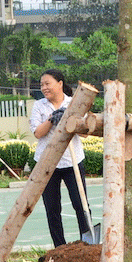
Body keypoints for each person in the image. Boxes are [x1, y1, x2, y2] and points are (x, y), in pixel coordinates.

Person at [30, 69, 94, 246]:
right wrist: (52, 119)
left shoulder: (74, 103)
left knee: (81, 205)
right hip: (47, 163)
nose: (44, 88)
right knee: (52, 208)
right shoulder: (39, 106)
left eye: (47, 84)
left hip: (72, 162)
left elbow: (85, 133)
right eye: (42, 85)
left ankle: (87, 244)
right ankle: (60, 247)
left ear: (60, 84)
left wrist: (70, 118)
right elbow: (37, 133)